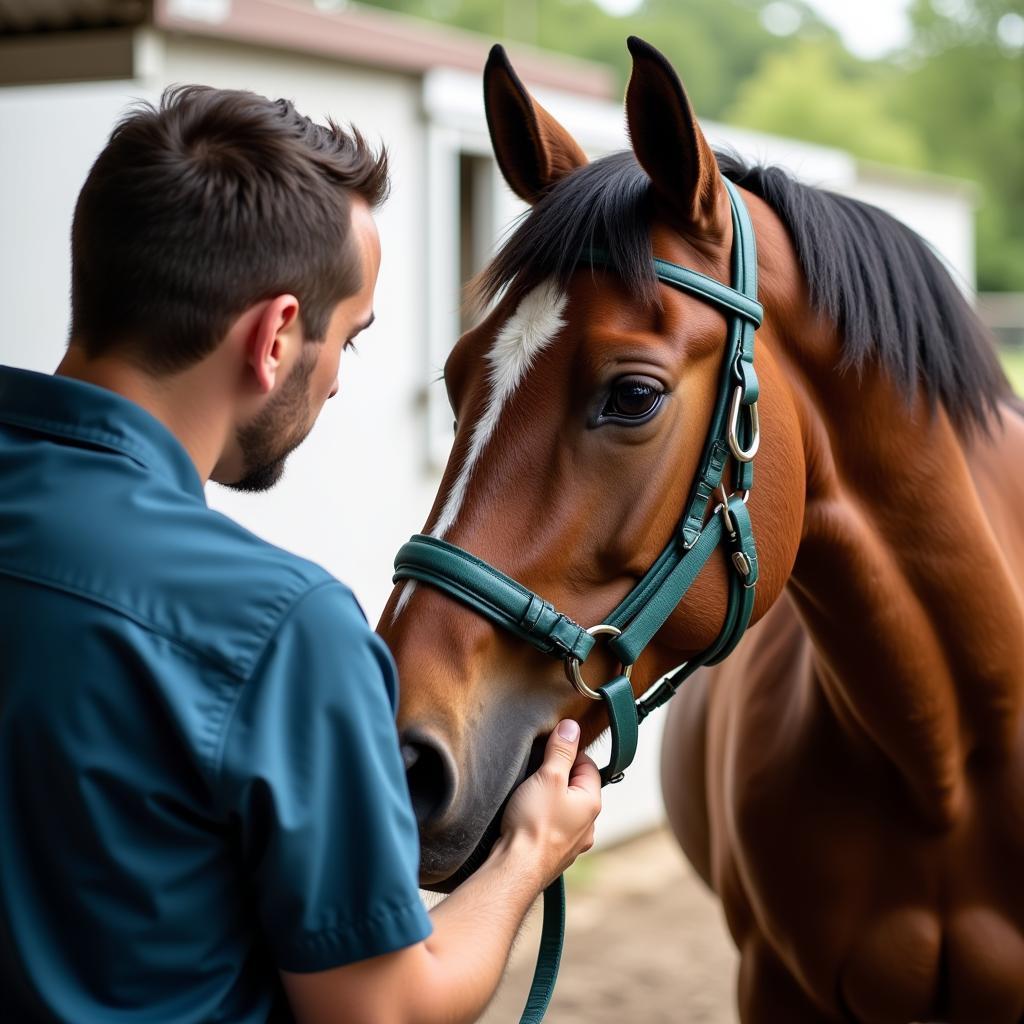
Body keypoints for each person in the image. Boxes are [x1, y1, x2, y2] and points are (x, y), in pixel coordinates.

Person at [0, 85, 601, 1024]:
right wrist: (532, 850)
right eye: (347, 343)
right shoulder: (278, 628)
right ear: (276, 336)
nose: (328, 387)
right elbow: (385, 1010)